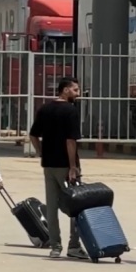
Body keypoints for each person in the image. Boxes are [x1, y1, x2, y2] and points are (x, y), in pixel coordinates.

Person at [28, 77, 88, 259]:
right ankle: (74, 245)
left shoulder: (45, 109)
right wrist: (72, 166)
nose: (78, 94)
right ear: (65, 90)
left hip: (49, 165)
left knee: (52, 206)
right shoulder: (70, 110)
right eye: (75, 90)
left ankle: (55, 246)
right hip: (65, 165)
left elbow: (33, 135)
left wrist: (41, 153)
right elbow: (70, 141)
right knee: (76, 205)